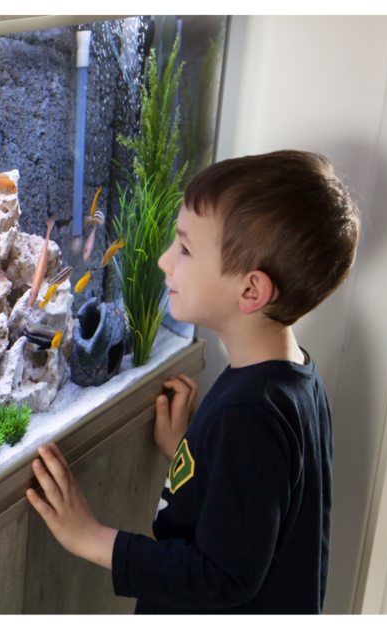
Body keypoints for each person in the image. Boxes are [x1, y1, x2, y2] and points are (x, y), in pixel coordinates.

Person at [27, 150, 360, 613]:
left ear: (251, 291)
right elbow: (261, 500)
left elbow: (222, 575)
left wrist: (92, 537)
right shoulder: (291, 377)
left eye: (184, 248)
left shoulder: (252, 412)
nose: (165, 261)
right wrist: (190, 450)